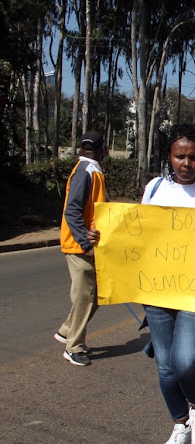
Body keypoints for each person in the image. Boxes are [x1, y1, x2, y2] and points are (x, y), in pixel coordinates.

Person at [92, 124, 195, 444]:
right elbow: (134, 234)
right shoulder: (154, 188)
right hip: (158, 290)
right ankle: (180, 424)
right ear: (169, 156)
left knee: (185, 358)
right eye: (180, 156)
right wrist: (102, 236)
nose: (186, 163)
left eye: (194, 157)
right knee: (165, 364)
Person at [55, 131, 109, 366]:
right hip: (80, 247)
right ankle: (73, 347)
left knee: (94, 295)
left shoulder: (93, 169)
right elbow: (72, 210)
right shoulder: (85, 171)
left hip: (89, 245)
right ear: (102, 149)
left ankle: (67, 330)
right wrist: (85, 243)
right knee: (85, 296)